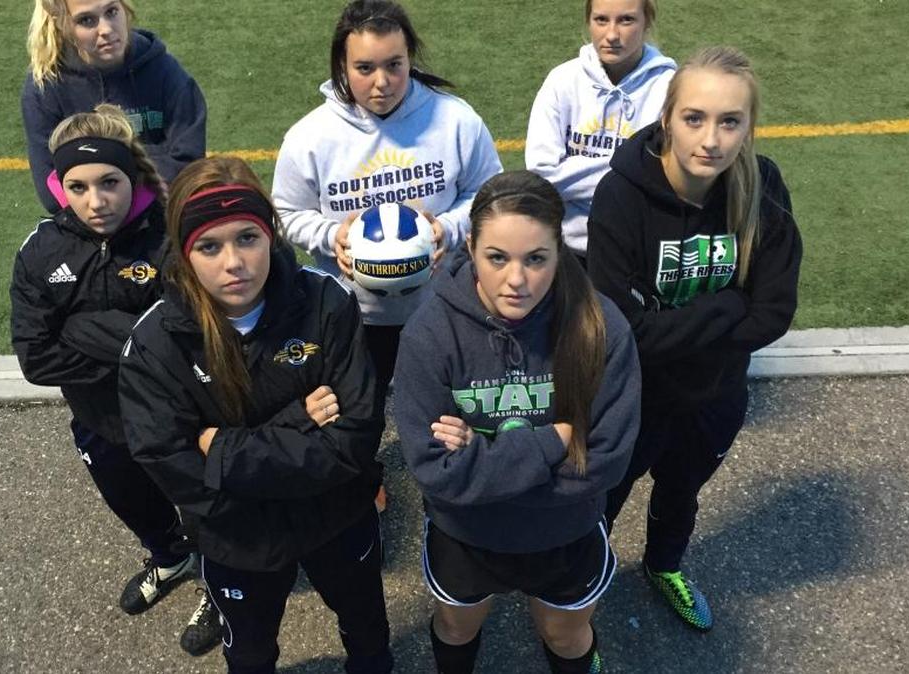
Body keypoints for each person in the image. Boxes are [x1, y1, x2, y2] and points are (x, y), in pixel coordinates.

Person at [119, 156, 393, 673]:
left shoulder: (326, 302)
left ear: (270, 234)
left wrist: (220, 446)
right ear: (183, 252)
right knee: (248, 653)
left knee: (368, 631)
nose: (233, 262)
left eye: (247, 238)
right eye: (209, 246)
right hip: (238, 537)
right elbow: (167, 461)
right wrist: (299, 422)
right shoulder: (155, 342)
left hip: (336, 519)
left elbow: (355, 437)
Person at [587, 46, 803, 632]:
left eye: (730, 121)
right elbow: (620, 329)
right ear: (667, 119)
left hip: (715, 396)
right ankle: (576, 615)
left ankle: (664, 566)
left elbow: (775, 311)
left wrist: (676, 326)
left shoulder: (763, 185)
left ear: (748, 127)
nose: (712, 139)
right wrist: (729, 304)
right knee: (600, 506)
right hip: (631, 399)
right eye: (695, 118)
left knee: (681, 493)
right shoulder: (622, 197)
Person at [395, 171, 641, 674]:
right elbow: (433, 470)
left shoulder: (601, 325)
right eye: (497, 258)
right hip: (466, 536)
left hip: (563, 531)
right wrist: (556, 439)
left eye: (536, 259)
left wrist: (478, 465)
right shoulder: (431, 333)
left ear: (559, 250)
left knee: (566, 636)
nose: (516, 280)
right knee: (457, 627)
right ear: (471, 246)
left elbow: (607, 458)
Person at [9, 104, 221, 656]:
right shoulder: (40, 252)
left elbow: (193, 343)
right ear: (59, 185)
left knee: (206, 509)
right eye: (77, 187)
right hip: (100, 421)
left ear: (132, 175)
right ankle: (170, 558)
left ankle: (220, 589)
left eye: (109, 182)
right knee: (132, 504)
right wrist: (131, 347)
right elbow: (36, 359)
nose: (95, 201)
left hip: (179, 419)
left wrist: (85, 331)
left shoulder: (173, 241)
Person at [272, 0, 502, 407]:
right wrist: (332, 235)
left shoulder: (455, 120)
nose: (382, 82)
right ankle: (364, 474)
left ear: (409, 57)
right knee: (360, 415)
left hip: (444, 306)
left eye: (394, 65)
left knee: (450, 413)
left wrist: (446, 229)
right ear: (341, 65)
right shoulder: (310, 137)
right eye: (365, 68)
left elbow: (489, 196)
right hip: (350, 314)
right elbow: (286, 214)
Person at [525, 0, 674, 264]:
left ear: (647, 21)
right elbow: (541, 174)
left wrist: (571, 176)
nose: (612, 35)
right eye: (601, 20)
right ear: (588, 21)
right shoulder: (561, 82)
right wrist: (630, 174)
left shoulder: (670, 88)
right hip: (565, 251)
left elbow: (666, 176)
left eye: (626, 20)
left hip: (637, 251)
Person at [22, 0, 206, 212]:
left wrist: (98, 174)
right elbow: (52, 191)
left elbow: (189, 166)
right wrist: (147, 163)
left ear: (125, 8)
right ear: (62, 24)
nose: (106, 30)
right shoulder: (46, 88)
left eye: (111, 12)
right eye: (87, 20)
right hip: (91, 228)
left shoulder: (165, 72)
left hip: (161, 222)